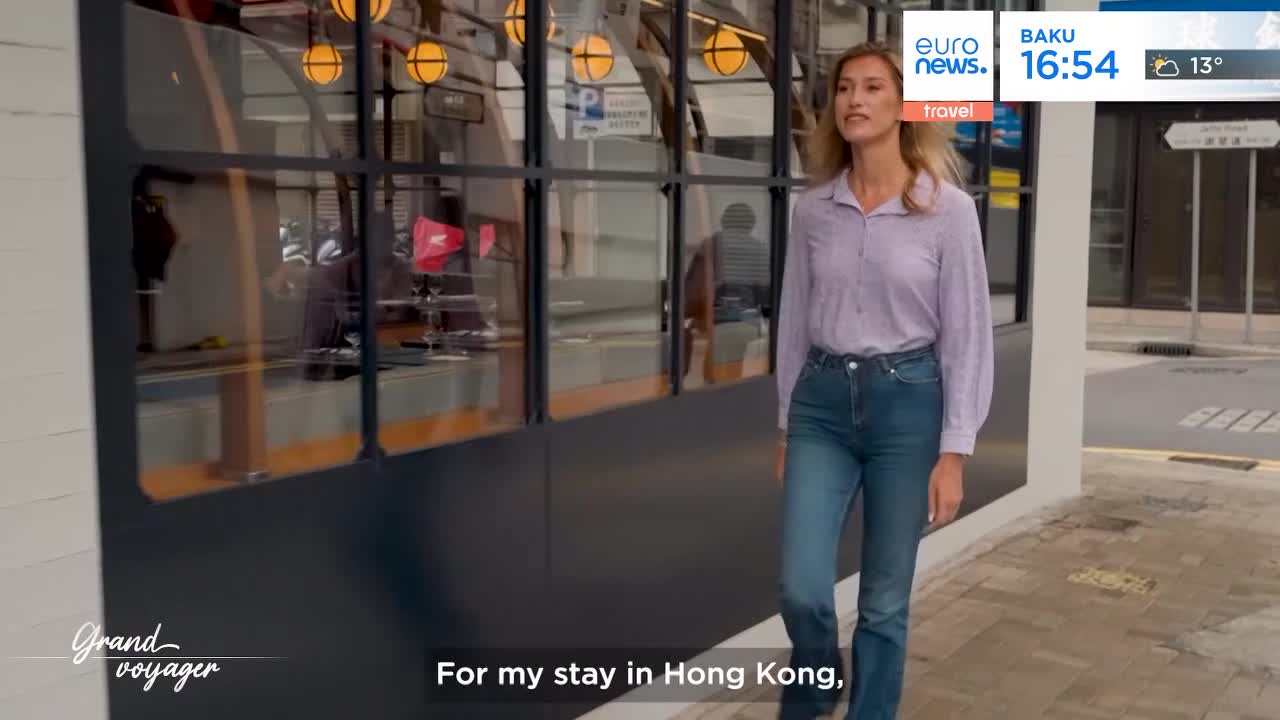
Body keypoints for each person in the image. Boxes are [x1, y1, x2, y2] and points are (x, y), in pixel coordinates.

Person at [773, 42, 993, 720]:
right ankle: (818, 679)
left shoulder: (947, 211)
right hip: (821, 405)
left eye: (872, 87)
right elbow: (792, 323)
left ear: (904, 106)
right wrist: (785, 422)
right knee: (801, 588)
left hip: (909, 407)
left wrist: (954, 451)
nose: (854, 101)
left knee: (884, 604)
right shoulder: (813, 210)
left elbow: (967, 334)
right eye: (844, 88)